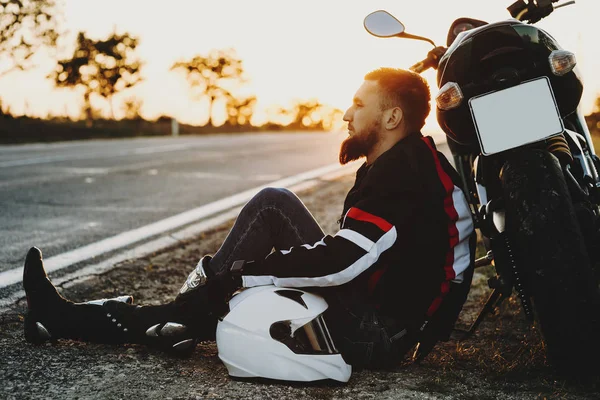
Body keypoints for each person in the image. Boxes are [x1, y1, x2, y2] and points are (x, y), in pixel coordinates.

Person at [23, 67, 475, 370]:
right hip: (390, 319)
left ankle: (90, 318)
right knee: (273, 207)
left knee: (263, 228)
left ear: (393, 115)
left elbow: (341, 261)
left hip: (377, 332)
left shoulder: (401, 173)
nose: (346, 114)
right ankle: (175, 318)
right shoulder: (413, 162)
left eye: (359, 105)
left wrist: (243, 275)